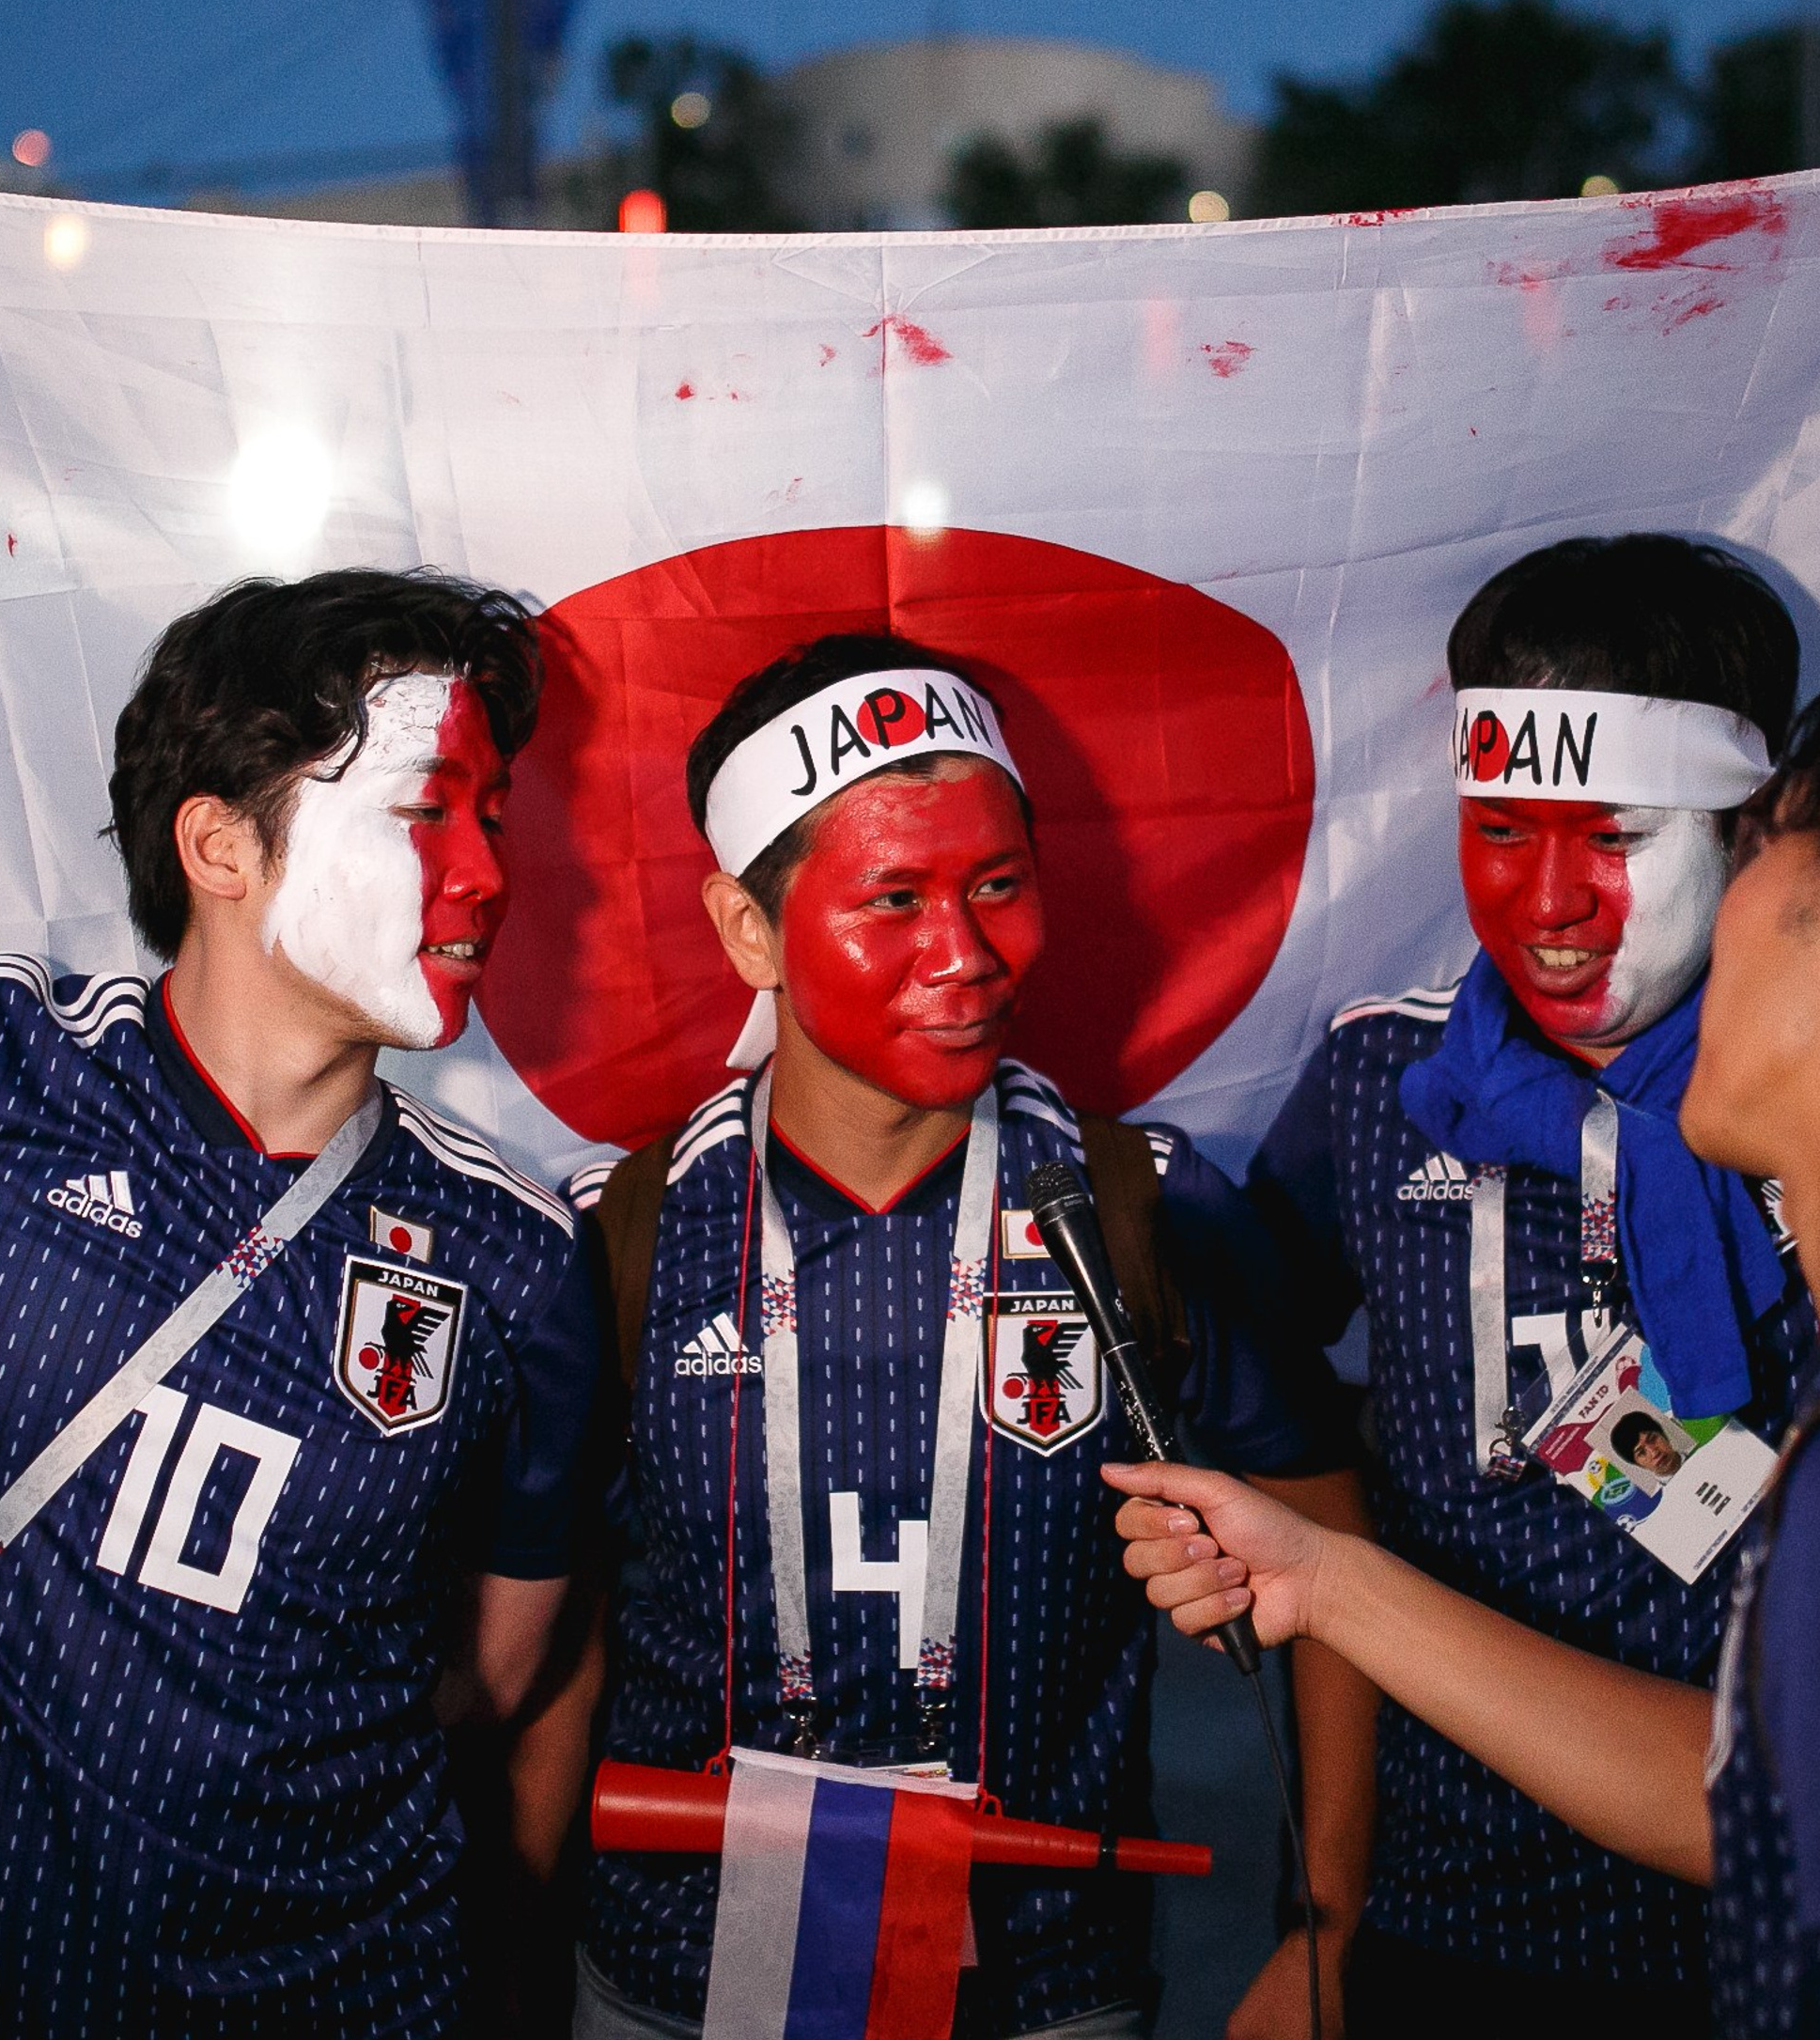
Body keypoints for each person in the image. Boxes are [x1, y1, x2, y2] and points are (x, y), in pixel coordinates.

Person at [1111, 622, 1820, 2040]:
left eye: (1761, 848)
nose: (1570, 909)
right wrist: (1326, 1584)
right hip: (1447, 1927)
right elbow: (1754, 1795)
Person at [0, 568, 599, 2038]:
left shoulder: (516, 1255)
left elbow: (495, 1676)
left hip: (337, 1996)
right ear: (220, 844)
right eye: (429, 814)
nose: (488, 871)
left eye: (492, 817)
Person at [565, 634, 1373, 2040]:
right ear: (748, 930)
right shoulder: (621, 1233)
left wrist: (1329, 1919)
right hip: (672, 1978)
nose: (968, 953)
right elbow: (545, 1635)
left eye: (998, 884)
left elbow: (1345, 1580)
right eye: (894, 898)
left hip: (1051, 1981)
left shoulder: (1145, 1210)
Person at [1242, 534, 1814, 2036]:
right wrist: (1324, 1908)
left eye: (1616, 838)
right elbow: (1266, 1408)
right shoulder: (1381, 1083)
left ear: (1756, 828)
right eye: (1499, 826)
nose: (1548, 900)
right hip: (1451, 1926)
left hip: (1789, 1921)